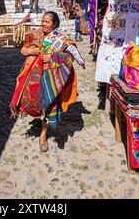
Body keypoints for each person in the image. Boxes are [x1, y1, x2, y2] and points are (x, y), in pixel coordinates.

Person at [10, 11, 86, 152]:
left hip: (51, 78)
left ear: (54, 24)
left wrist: (52, 57)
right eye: (43, 21)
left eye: (47, 22)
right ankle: (36, 116)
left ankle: (43, 134)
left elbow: (70, 57)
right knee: (35, 100)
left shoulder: (60, 39)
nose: (44, 24)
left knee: (49, 104)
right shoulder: (34, 34)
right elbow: (23, 50)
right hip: (32, 75)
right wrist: (32, 52)